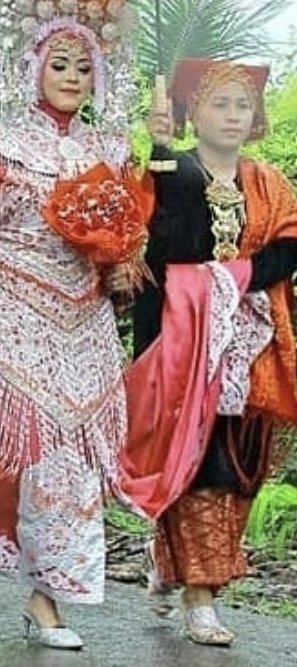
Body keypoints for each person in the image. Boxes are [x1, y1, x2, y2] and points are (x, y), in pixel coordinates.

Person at [0, 0, 134, 649]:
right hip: (12, 295)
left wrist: (118, 259)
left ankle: (46, 597)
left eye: (83, 67)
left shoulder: (111, 150)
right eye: (59, 63)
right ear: (32, 67)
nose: (70, 77)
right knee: (11, 440)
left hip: (82, 307)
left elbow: (126, 228)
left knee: (74, 449)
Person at [121, 58, 297, 647]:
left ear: (254, 119)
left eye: (241, 105)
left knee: (239, 471)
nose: (231, 115)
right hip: (181, 345)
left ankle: (172, 564)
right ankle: (202, 599)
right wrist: (164, 150)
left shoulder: (269, 183)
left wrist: (235, 277)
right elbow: (163, 246)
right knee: (196, 468)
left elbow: (290, 244)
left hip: (250, 347)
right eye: (219, 104)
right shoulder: (171, 169)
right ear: (192, 110)